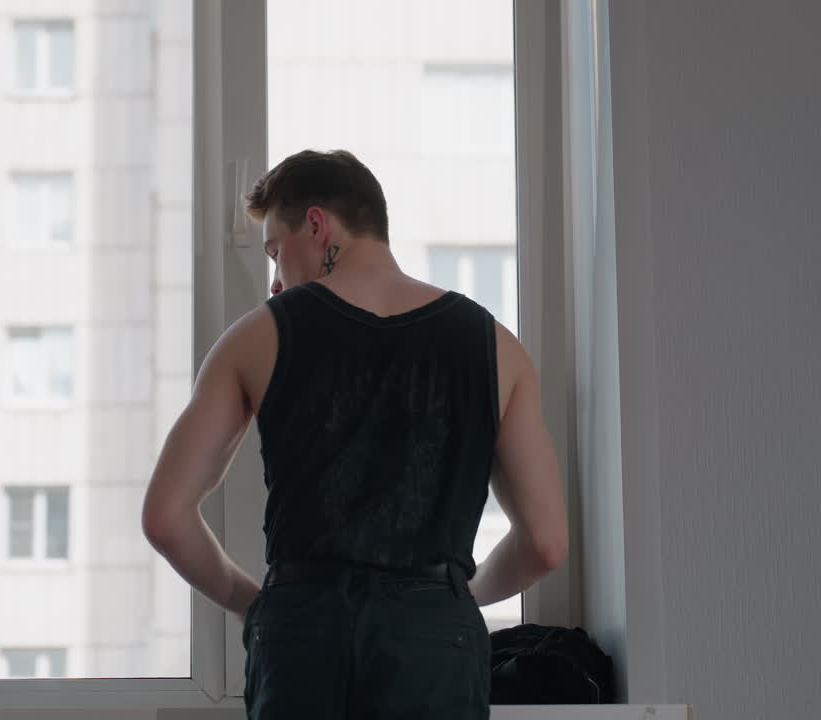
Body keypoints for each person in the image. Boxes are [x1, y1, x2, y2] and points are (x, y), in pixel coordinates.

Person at [142, 149, 567, 719]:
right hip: (435, 641)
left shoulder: (256, 338)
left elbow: (165, 517)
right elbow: (546, 543)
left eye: (275, 252)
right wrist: (458, 597)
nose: (274, 282)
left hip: (302, 632)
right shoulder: (497, 347)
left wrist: (255, 603)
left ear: (316, 225)